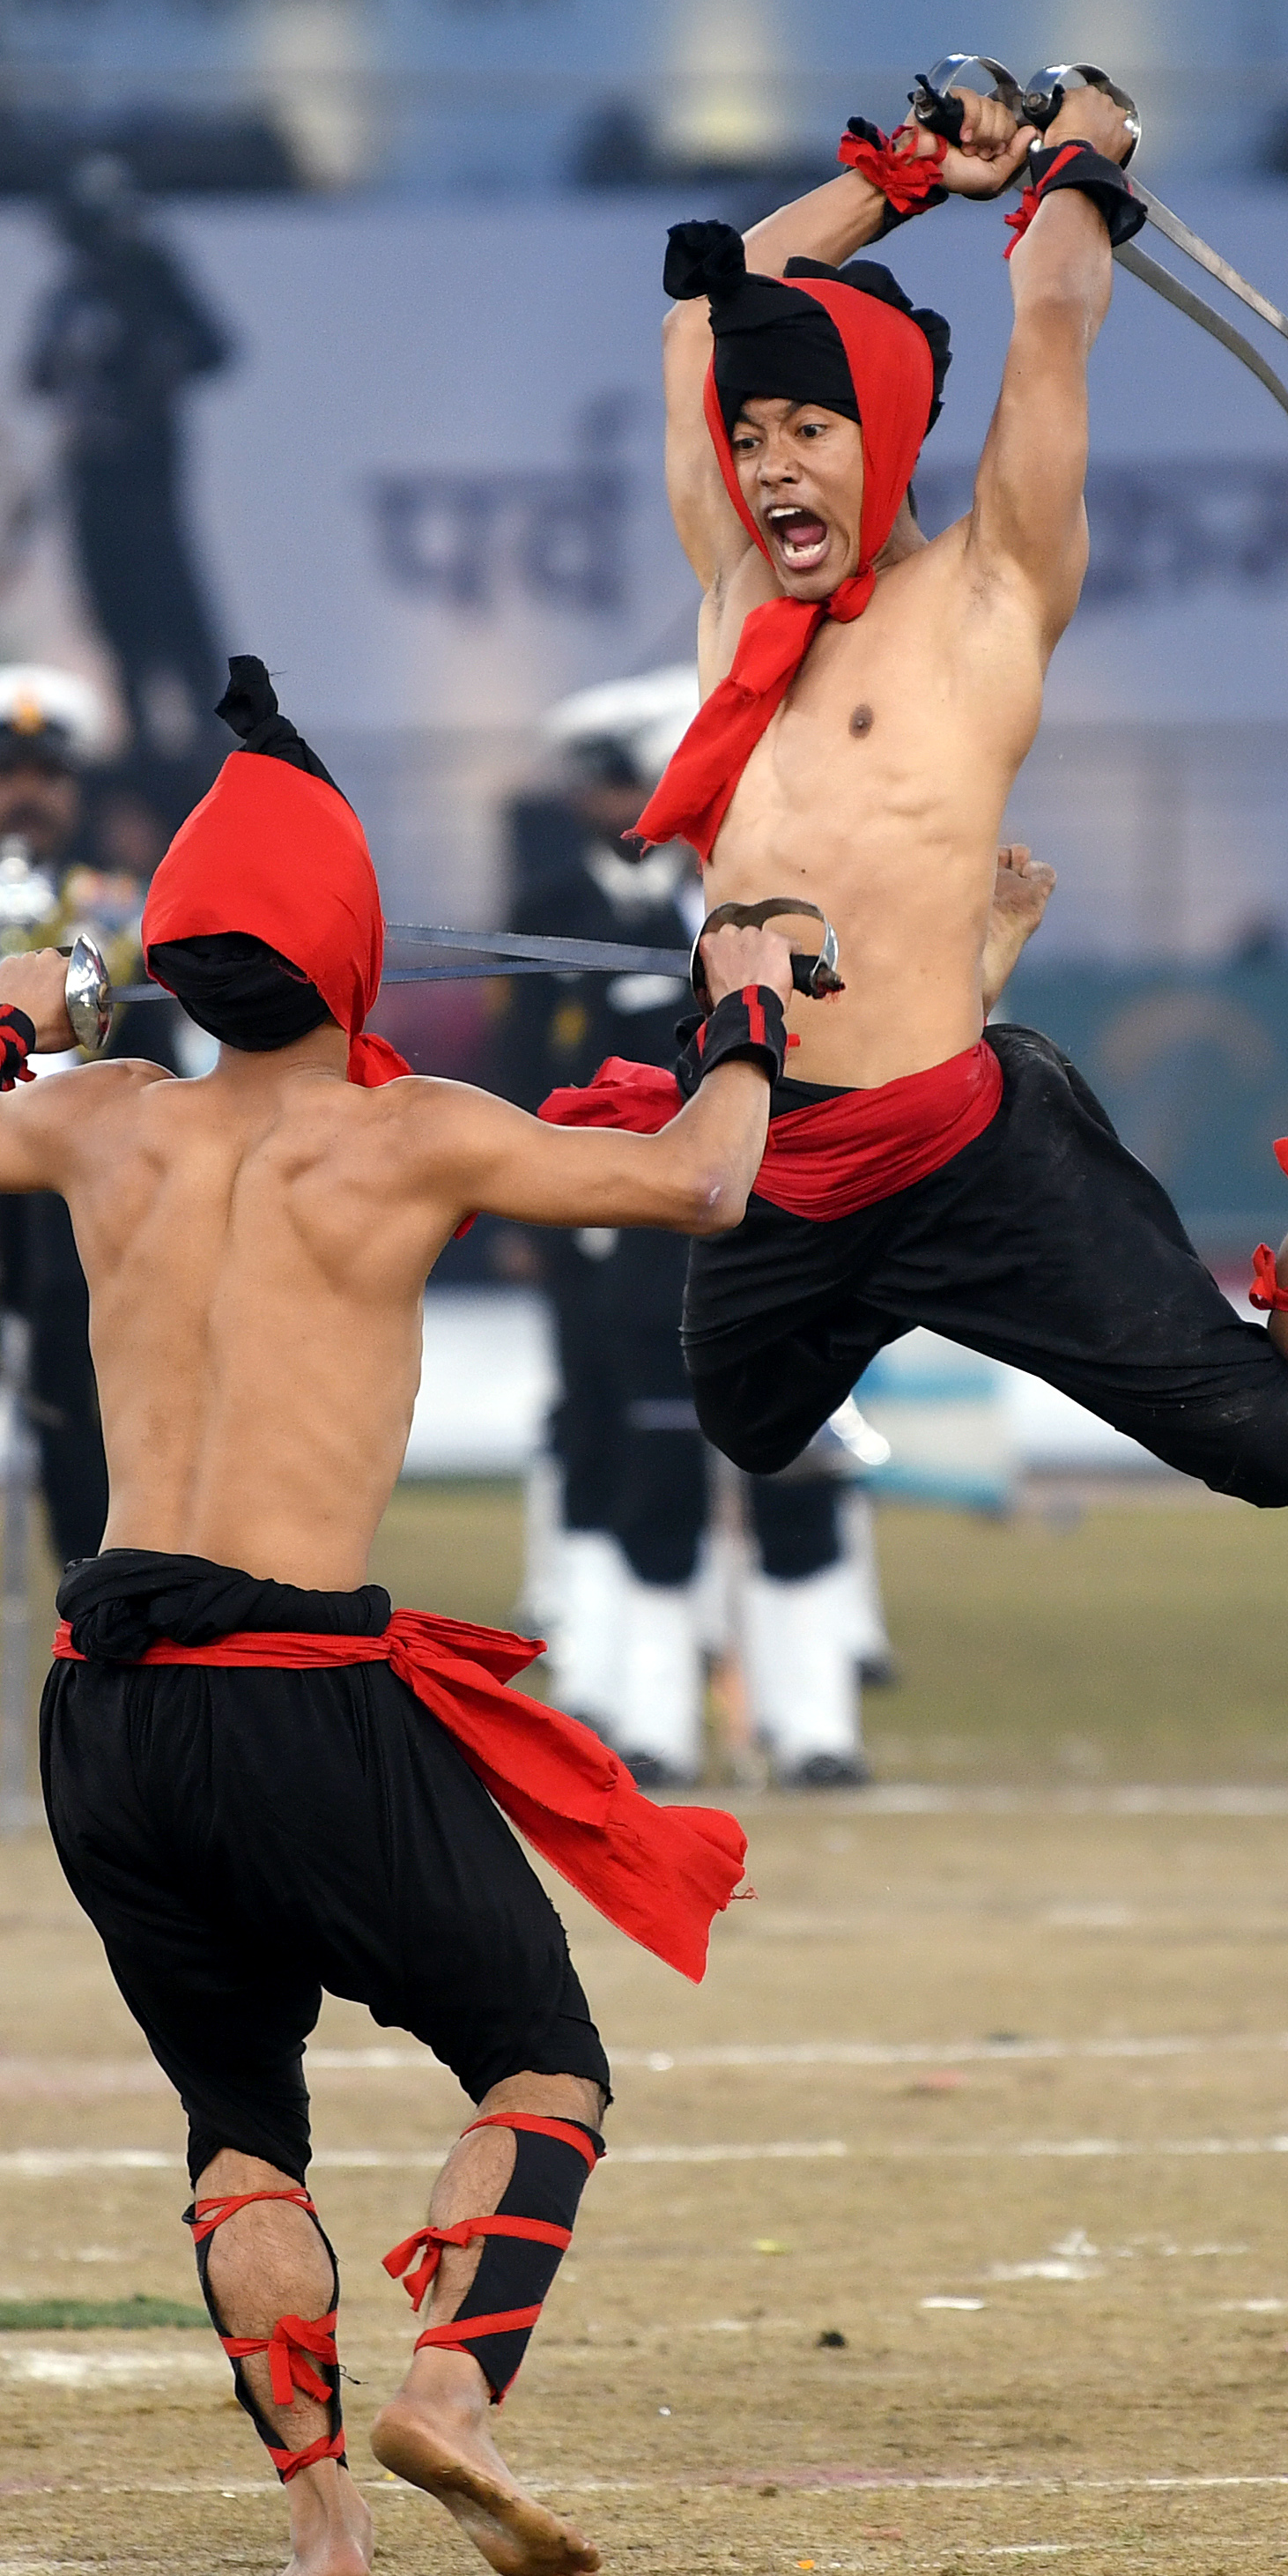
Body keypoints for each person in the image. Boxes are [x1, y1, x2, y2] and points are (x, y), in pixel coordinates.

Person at [0, 657, 805, 2576]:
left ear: (180, 974)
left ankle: (320, 2536)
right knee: (541, 2061)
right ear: (352, 953)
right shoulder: (417, 1134)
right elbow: (710, 1177)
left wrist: (21, 1006)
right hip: (298, 1693)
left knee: (235, 2126)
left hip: (103, 1717)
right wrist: (748, 1007)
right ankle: (452, 2392)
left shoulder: (101, 1119)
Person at [544, 81, 1288, 1506]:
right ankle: (957, 967)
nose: (769, 464)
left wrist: (1073, 164)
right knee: (750, 1421)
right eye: (756, 435)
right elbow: (699, 323)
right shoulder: (732, 588)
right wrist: (904, 175)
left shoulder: (985, 596)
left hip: (961, 1150)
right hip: (776, 1144)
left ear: (886, 431)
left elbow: (1053, 320)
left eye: (809, 432)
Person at [503, 670, 873, 1785]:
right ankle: (652, 1722)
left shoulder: (814, 908)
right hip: (650, 1238)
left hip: (794, 1231)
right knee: (655, 1469)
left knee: (799, 1475)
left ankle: (816, 1728)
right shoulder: (617, 920)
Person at [0, 664, 179, 1570]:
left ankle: (97, 1659)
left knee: (89, 1452)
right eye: (1, 771)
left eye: (46, 773)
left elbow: (156, 1061)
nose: (25, 793)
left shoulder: (118, 910)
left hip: (79, 1214)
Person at [24, 154, 233, 771]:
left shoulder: (152, 278)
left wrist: (152, 371)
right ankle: (138, 727)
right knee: (111, 602)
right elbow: (37, 372)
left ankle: (201, 724)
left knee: (169, 595)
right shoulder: (69, 294)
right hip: (91, 474)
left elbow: (214, 348)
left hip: (146, 476)